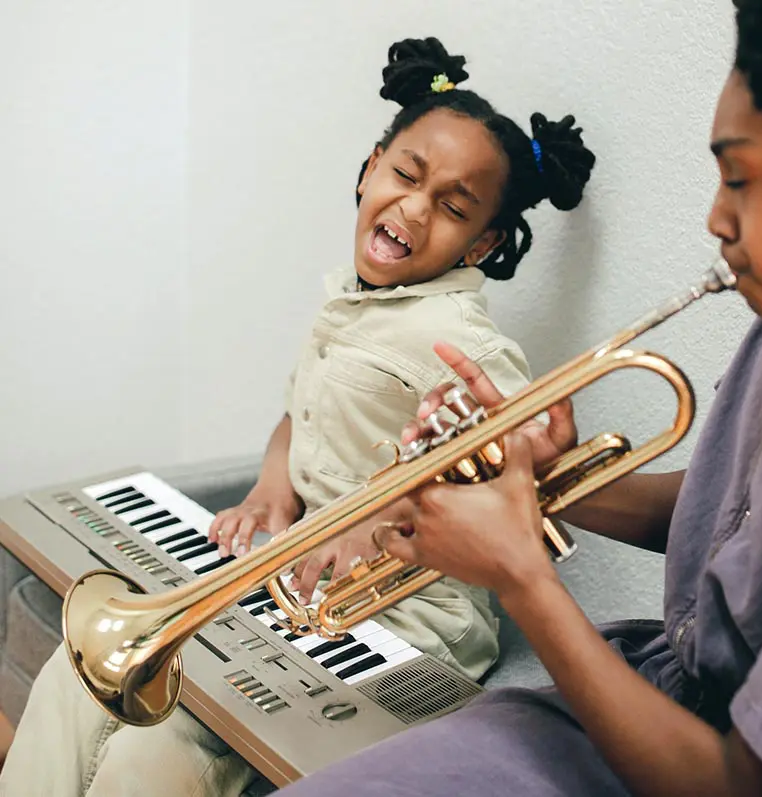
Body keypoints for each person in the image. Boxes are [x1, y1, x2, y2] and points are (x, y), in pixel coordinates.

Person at [273, 2, 762, 796]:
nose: (715, 218)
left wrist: (523, 577)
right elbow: (734, 523)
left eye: (740, 179)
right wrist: (551, 480)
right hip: (653, 678)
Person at [0, 36, 595, 797]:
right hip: (294, 589)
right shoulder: (355, 303)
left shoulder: (469, 346)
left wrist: (381, 526)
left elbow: (505, 499)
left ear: (480, 242)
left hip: (402, 627)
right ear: (368, 168)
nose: (414, 206)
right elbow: (299, 413)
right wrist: (270, 487)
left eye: (452, 207)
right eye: (405, 174)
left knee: (151, 754)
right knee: (74, 673)